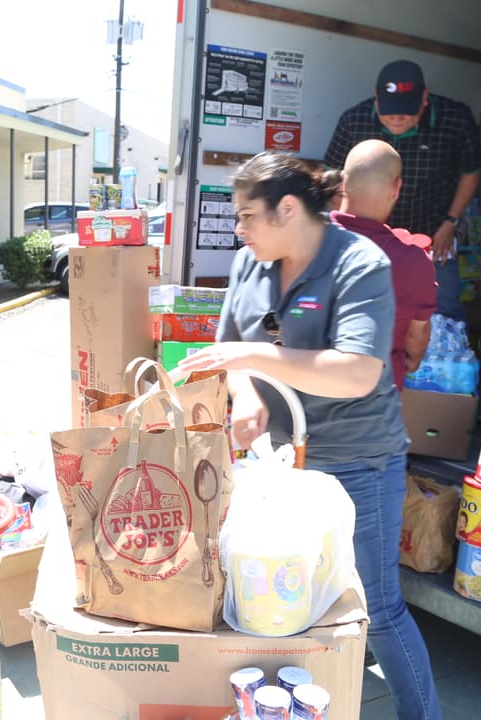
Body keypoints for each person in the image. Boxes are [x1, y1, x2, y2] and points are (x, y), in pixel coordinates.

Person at [175, 152, 440, 720]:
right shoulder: (253, 261)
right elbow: (233, 348)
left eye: (248, 215)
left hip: (356, 462)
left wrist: (253, 354)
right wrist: (245, 394)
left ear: (288, 209)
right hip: (277, 464)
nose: (239, 228)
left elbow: (358, 370)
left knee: (379, 607)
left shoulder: (357, 262)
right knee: (276, 597)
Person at [324, 59, 481, 322]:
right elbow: (330, 176)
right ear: (376, 99)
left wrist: (451, 222)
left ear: (424, 99)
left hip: (434, 232)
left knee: (443, 311)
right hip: (368, 235)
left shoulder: (455, 119)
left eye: (406, 111)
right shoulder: (354, 120)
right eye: (389, 111)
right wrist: (341, 231)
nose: (397, 118)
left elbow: (471, 172)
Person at [331, 140, 437, 389]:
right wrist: (410, 359)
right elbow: (416, 337)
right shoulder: (412, 259)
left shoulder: (305, 238)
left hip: (301, 394)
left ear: (343, 183)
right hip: (375, 398)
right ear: (397, 187)